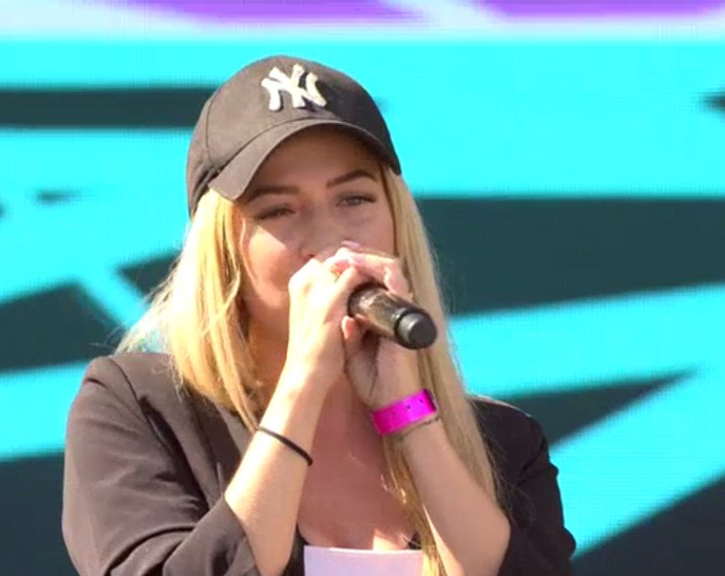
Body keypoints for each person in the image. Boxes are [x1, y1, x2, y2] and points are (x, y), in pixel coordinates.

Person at [61, 55, 576, 576]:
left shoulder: (505, 441)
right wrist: (303, 385)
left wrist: (409, 417)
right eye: (279, 210)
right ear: (223, 250)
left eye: (354, 199)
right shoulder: (140, 407)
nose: (331, 239)